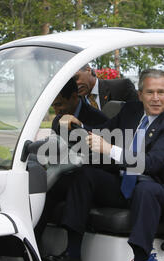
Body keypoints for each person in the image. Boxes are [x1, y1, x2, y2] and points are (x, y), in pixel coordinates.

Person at [44, 69, 164, 261]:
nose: (156, 98)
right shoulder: (132, 110)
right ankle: (72, 255)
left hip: (160, 189)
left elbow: (151, 164)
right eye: (150, 92)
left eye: (161, 92)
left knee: (146, 189)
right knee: (85, 175)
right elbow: (105, 133)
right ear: (141, 94)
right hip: (127, 183)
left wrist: (109, 149)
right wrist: (73, 124)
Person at [34, 78, 109, 241]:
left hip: (92, 176)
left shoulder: (97, 119)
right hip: (66, 173)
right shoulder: (58, 120)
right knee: (38, 187)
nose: (56, 110)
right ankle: (34, 242)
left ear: (74, 97)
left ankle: (71, 251)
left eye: (59, 104)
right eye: (53, 106)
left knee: (57, 186)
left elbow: (103, 157)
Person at [74, 64, 138, 110]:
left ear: (88, 70)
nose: (75, 85)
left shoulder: (122, 87)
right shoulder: (76, 103)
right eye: (71, 82)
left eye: (76, 78)